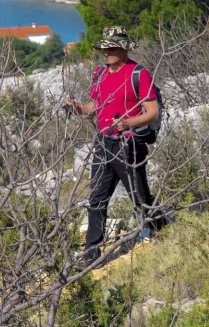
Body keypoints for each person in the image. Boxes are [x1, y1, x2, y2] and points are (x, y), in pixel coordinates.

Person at [67, 26, 166, 266]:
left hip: (129, 144)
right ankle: (92, 254)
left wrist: (129, 123)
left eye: (113, 48)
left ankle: (160, 230)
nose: (107, 52)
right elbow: (95, 106)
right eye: (105, 48)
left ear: (123, 49)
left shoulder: (138, 74)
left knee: (139, 197)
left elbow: (153, 112)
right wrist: (79, 109)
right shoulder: (100, 73)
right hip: (103, 142)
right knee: (97, 199)